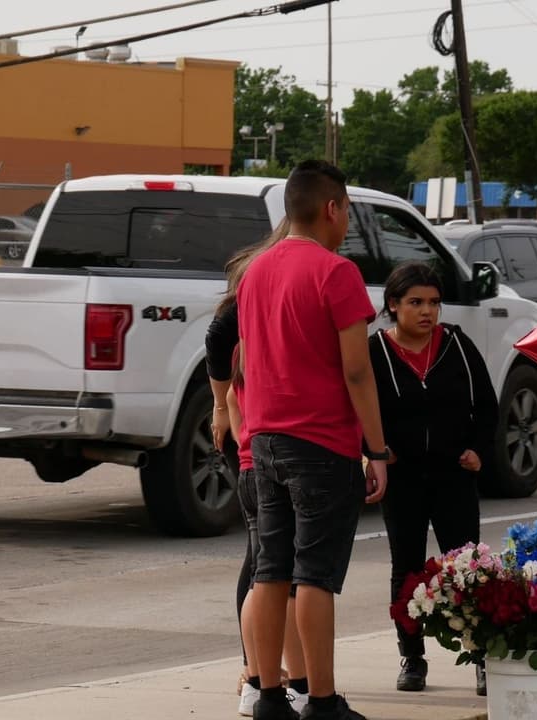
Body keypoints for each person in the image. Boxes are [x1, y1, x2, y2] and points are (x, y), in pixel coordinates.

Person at [238, 160, 389, 720]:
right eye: (346, 209)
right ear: (332, 208)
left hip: (266, 440)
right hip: (321, 443)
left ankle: (269, 696)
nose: (346, 220)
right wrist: (377, 449)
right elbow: (357, 371)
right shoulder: (336, 273)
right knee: (315, 576)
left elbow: (248, 361)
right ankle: (322, 701)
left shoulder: (254, 272)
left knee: (269, 570)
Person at [367, 262, 498, 695]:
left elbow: (487, 406)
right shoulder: (376, 352)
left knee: (468, 569)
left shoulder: (457, 346)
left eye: (434, 303)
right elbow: (360, 408)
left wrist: (479, 449)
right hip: (403, 479)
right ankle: (412, 657)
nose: (427, 311)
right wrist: (376, 451)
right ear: (393, 305)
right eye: (415, 302)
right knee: (405, 567)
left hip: (453, 476)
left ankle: (482, 657)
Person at [206, 221, 309, 716]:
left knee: (272, 567)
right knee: (268, 567)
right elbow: (219, 345)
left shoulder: (269, 299)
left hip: (262, 448)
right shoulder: (260, 287)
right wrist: (222, 409)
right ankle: (259, 674)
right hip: (259, 453)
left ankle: (280, 675)